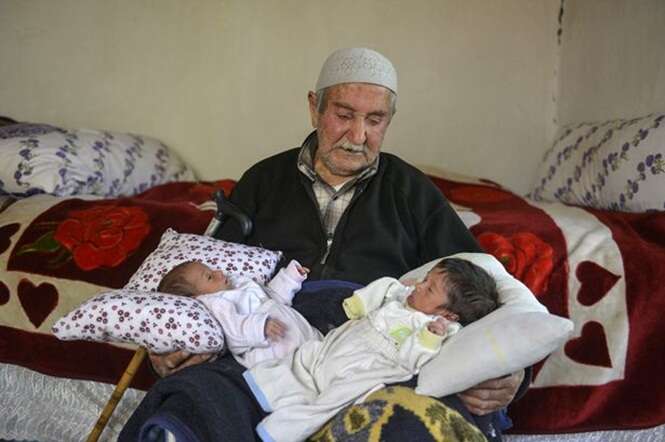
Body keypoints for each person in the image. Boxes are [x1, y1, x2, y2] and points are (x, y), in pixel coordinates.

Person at [121, 47, 527, 442]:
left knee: (424, 416)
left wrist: (512, 371)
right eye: (344, 115)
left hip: (380, 350)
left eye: (375, 120)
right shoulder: (263, 180)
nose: (358, 135)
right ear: (314, 107)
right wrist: (173, 340)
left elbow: (483, 281)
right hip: (271, 343)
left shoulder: (413, 192)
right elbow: (204, 275)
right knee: (191, 403)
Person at [244, 257, 500, 442]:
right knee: (306, 357)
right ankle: (264, 388)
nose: (419, 286)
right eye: (425, 279)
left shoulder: (437, 326)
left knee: (330, 401)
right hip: (346, 342)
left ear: (450, 314)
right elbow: (385, 288)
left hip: (371, 366)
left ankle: (281, 431)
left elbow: (415, 357)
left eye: (429, 288)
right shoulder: (404, 296)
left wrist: (430, 337)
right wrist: (361, 303)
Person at [157, 259, 322, 368]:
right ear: (197, 297)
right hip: (271, 349)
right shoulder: (214, 305)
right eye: (209, 277)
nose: (219, 273)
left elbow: (272, 297)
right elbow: (233, 332)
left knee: (320, 350)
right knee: (298, 373)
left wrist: (290, 277)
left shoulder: (236, 286)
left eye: (212, 269)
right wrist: (260, 327)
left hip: (295, 330)